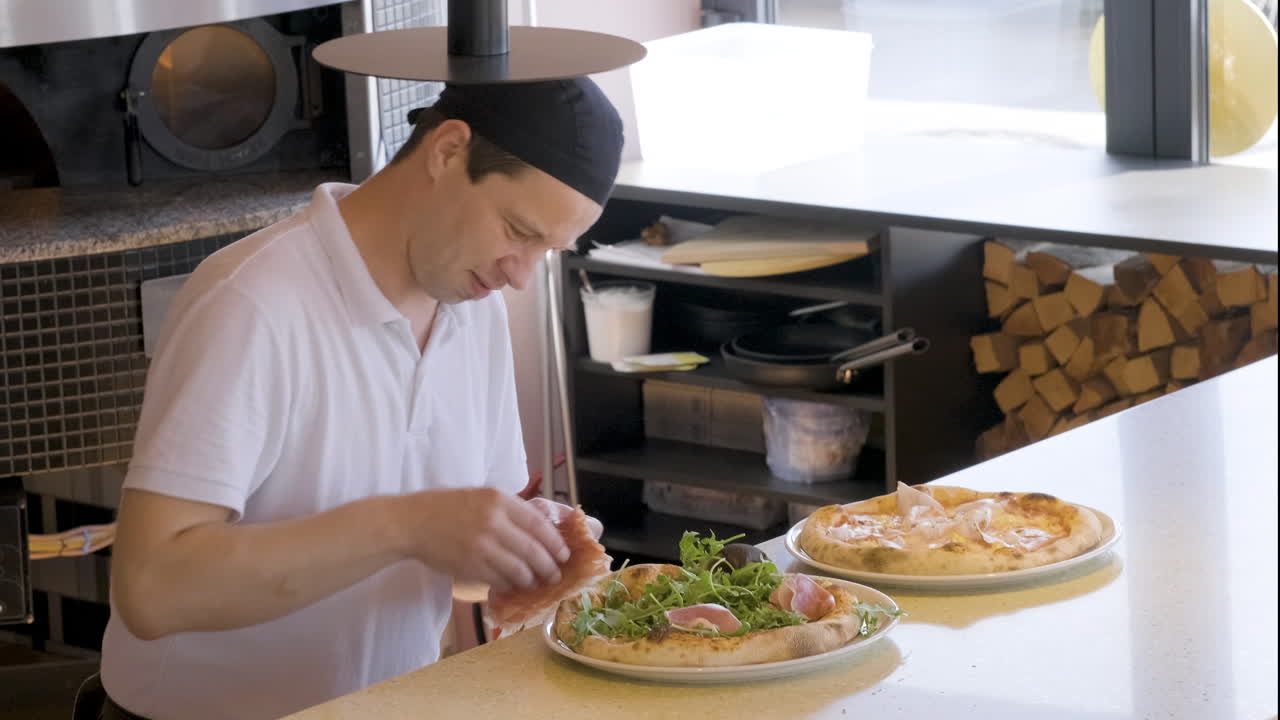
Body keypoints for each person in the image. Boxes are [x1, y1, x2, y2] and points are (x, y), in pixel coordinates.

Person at [97, 77, 623, 720]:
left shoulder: (470, 303)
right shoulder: (253, 304)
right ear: (447, 150)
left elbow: (455, 569)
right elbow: (151, 591)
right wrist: (406, 525)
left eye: (547, 250)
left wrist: (515, 545)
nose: (520, 276)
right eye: (518, 230)